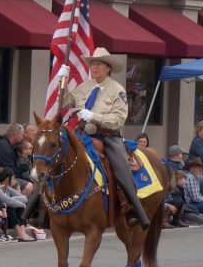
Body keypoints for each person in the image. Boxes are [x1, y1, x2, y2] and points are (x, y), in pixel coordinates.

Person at [59, 47, 151, 230]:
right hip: (82, 134)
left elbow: (119, 119)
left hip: (108, 137)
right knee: (55, 157)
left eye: (99, 64)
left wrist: (94, 116)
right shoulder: (85, 86)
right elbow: (63, 102)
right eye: (93, 64)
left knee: (121, 167)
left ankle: (133, 208)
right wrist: (63, 80)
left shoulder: (117, 90)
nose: (94, 67)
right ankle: (43, 205)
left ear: (108, 68)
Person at [0, 123, 34, 196]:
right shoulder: (3, 147)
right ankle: (15, 206)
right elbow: (9, 169)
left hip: (8, 175)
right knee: (29, 186)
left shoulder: (12, 146)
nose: (22, 137)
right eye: (21, 135)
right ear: (15, 134)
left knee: (34, 183)